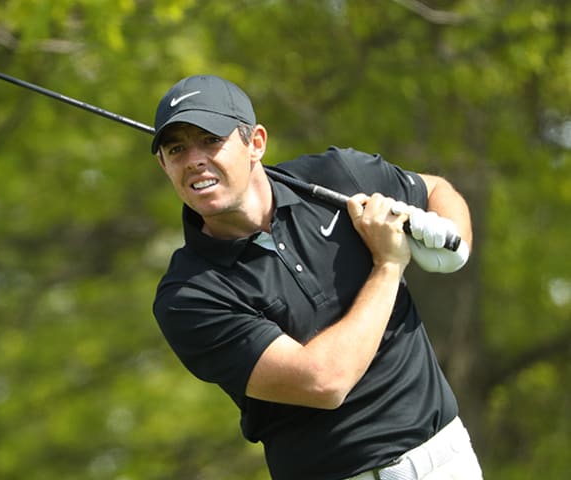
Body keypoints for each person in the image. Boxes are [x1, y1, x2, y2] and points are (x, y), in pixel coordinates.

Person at [150, 74, 483, 480]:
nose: (195, 159)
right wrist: (388, 266)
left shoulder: (336, 177)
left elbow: (435, 189)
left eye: (210, 139)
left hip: (447, 463)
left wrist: (453, 239)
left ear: (255, 143)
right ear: (163, 164)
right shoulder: (188, 294)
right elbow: (325, 381)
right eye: (177, 148)